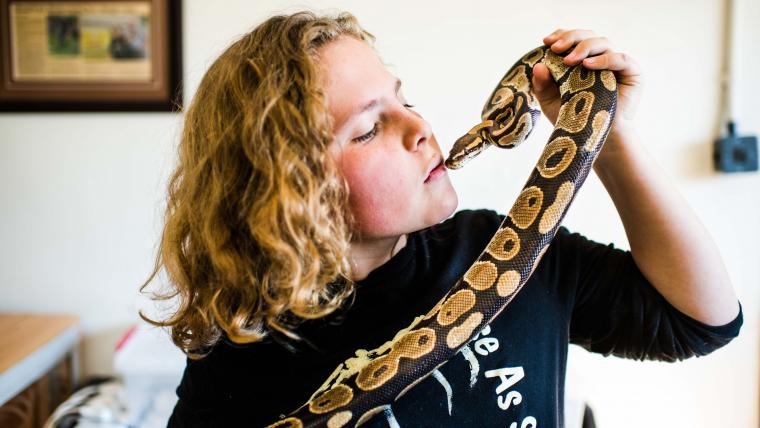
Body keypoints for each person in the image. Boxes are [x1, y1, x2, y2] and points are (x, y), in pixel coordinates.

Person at [139, 10, 743, 427]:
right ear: (289, 191)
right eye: (370, 127)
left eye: (404, 98)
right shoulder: (245, 347)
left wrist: (607, 137)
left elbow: (700, 321)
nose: (420, 127)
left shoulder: (504, 247)